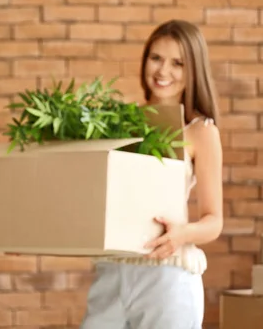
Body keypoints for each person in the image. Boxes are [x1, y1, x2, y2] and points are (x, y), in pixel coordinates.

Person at [80, 20, 223, 329]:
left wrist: (181, 234)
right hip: (113, 271)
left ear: (193, 69)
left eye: (177, 63)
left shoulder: (200, 132)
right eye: (156, 58)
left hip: (166, 275)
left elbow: (214, 221)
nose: (163, 71)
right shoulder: (121, 123)